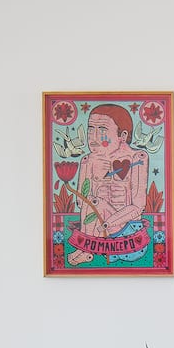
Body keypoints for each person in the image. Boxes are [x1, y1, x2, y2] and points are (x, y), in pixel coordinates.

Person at [64, 104, 148, 266]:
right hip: (95, 228)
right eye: (90, 129)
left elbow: (138, 207)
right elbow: (81, 202)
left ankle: (86, 250)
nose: (93, 137)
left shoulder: (138, 158)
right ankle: (86, 249)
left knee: (96, 202)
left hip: (125, 229)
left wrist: (108, 223)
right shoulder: (88, 161)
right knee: (93, 201)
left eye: (102, 130)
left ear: (122, 135)